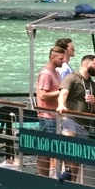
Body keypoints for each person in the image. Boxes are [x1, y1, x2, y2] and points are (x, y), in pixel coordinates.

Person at [35, 46, 66, 177]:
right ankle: (43, 176)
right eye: (60, 58)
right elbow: (42, 95)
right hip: (47, 116)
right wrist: (60, 92)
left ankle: (51, 174)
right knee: (45, 149)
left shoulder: (57, 72)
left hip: (55, 116)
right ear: (52, 57)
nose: (63, 61)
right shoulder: (46, 74)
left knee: (52, 148)